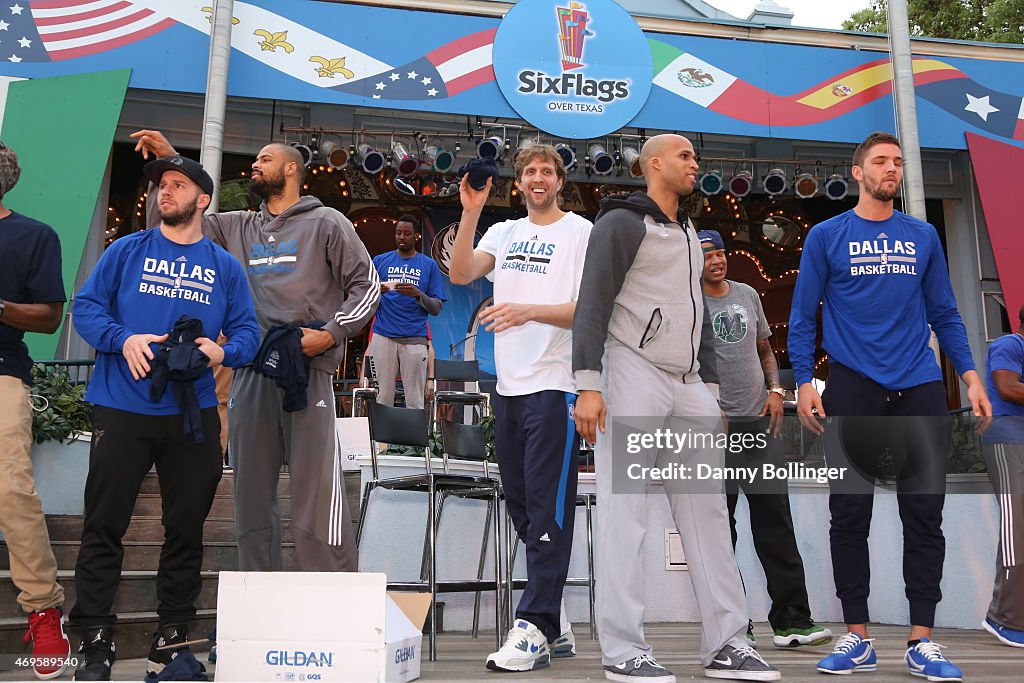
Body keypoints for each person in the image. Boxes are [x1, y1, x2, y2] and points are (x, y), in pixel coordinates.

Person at [573, 134, 780, 682]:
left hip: (687, 383)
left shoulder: (691, 231)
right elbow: (592, 302)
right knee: (627, 515)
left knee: (707, 515)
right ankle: (622, 650)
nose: (695, 165)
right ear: (654, 165)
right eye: (685, 157)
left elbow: (698, 319)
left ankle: (727, 643)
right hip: (633, 369)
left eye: (696, 156)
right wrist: (588, 384)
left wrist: (709, 389)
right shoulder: (619, 222)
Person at [789, 131, 991, 680]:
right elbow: (803, 315)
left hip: (920, 385)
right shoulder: (827, 235)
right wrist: (806, 380)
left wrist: (971, 377)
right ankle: (857, 636)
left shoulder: (922, 236)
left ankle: (921, 640)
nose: (891, 169)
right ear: (858, 173)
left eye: (898, 162)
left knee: (924, 513)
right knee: (848, 513)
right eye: (880, 161)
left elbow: (946, 315)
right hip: (852, 385)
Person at [131, 130, 379, 573]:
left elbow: (367, 285)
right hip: (250, 369)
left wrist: (332, 332)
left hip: (308, 371)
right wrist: (173, 166)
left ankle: (330, 592)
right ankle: (257, 592)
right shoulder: (237, 226)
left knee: (317, 491)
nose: (255, 165)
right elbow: (176, 224)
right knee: (250, 491)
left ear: (290, 169)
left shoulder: (327, 222)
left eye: (264, 159)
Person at [71, 156, 259, 680]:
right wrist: (122, 337)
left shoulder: (224, 266)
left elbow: (247, 333)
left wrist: (221, 354)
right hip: (121, 406)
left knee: (185, 529)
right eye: (161, 186)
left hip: (192, 415)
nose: (164, 193)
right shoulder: (126, 250)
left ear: (204, 199)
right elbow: (85, 308)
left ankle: (172, 635)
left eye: (178, 185)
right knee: (104, 523)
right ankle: (96, 639)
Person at [448, 144, 591, 672]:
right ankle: (554, 620)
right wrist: (469, 210)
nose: (537, 177)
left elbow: (591, 307)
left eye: (546, 171)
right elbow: (462, 273)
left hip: (556, 387)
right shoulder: (503, 233)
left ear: (559, 181)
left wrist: (527, 309)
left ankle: (533, 624)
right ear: (518, 182)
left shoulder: (581, 232)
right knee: (524, 509)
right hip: (506, 387)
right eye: (529, 170)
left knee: (549, 511)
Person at [699, 228, 831, 650]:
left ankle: (793, 620)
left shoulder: (747, 293)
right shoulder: (688, 302)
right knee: (721, 531)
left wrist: (776, 391)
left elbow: (764, 350)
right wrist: (704, 403)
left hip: (760, 424)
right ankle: (736, 624)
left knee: (775, 520)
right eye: (707, 255)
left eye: (720, 253)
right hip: (715, 431)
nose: (717, 261)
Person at [0, 142, 72, 680]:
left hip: (3, 370)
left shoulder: (34, 236)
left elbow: (48, 319)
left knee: (10, 487)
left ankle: (44, 610)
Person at [367, 214, 445, 408]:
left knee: (415, 400)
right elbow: (364, 298)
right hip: (383, 335)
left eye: (407, 234)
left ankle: (413, 439)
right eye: (399, 233)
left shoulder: (429, 265)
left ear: (416, 237)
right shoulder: (380, 261)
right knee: (382, 398)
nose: (402, 237)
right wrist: (377, 291)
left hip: (414, 338)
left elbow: (436, 308)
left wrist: (417, 294)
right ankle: (382, 440)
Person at [980, 304, 1024, 647]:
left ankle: (1003, 613)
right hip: (1007, 437)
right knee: (1016, 527)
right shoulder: (1010, 344)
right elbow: (1008, 388)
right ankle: (1006, 619)